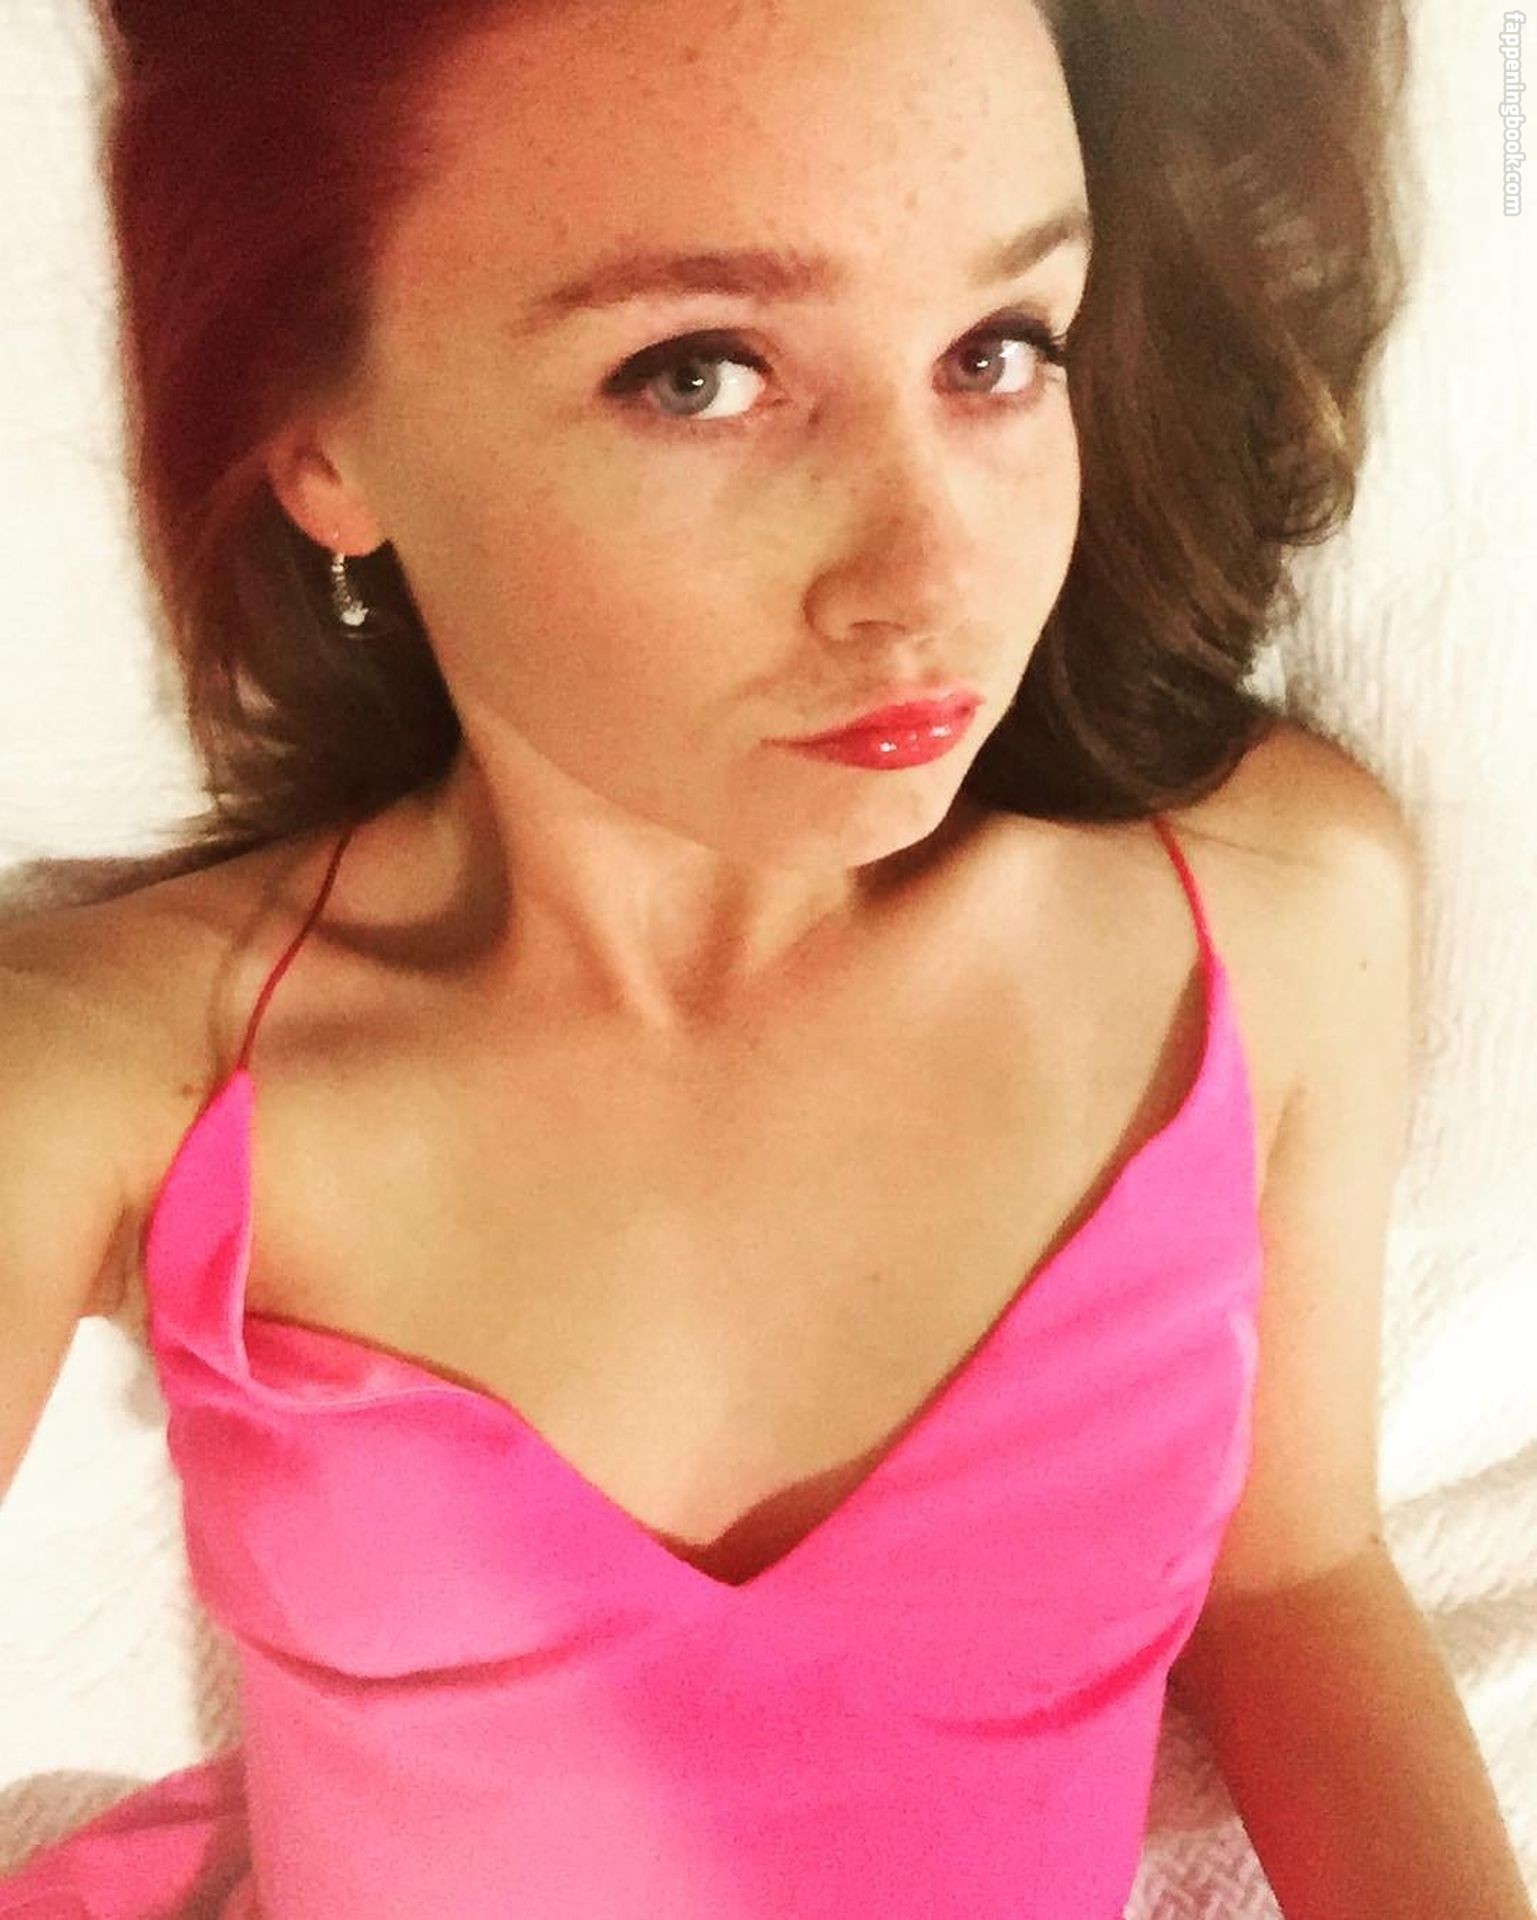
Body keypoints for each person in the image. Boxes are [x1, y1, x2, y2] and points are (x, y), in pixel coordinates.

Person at [0, 0, 1531, 1914]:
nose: (928, 577)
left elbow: (1295, 1576)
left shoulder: (1267, 913)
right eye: (697, 375)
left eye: (996, 350)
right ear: (321, 442)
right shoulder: (113, 1077)